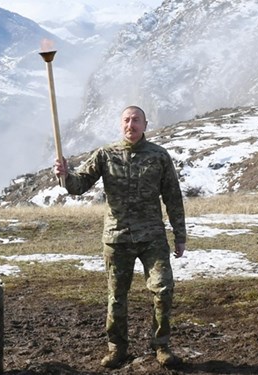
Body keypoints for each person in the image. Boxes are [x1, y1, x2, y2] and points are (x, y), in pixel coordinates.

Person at [53, 106, 186, 369]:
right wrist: (65, 175)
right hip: (117, 238)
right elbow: (79, 185)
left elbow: (172, 196)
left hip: (152, 237)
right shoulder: (105, 154)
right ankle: (117, 348)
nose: (131, 125)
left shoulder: (159, 156)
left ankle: (161, 345)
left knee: (163, 289)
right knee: (117, 296)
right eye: (126, 120)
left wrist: (179, 235)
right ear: (120, 124)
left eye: (136, 120)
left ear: (145, 125)